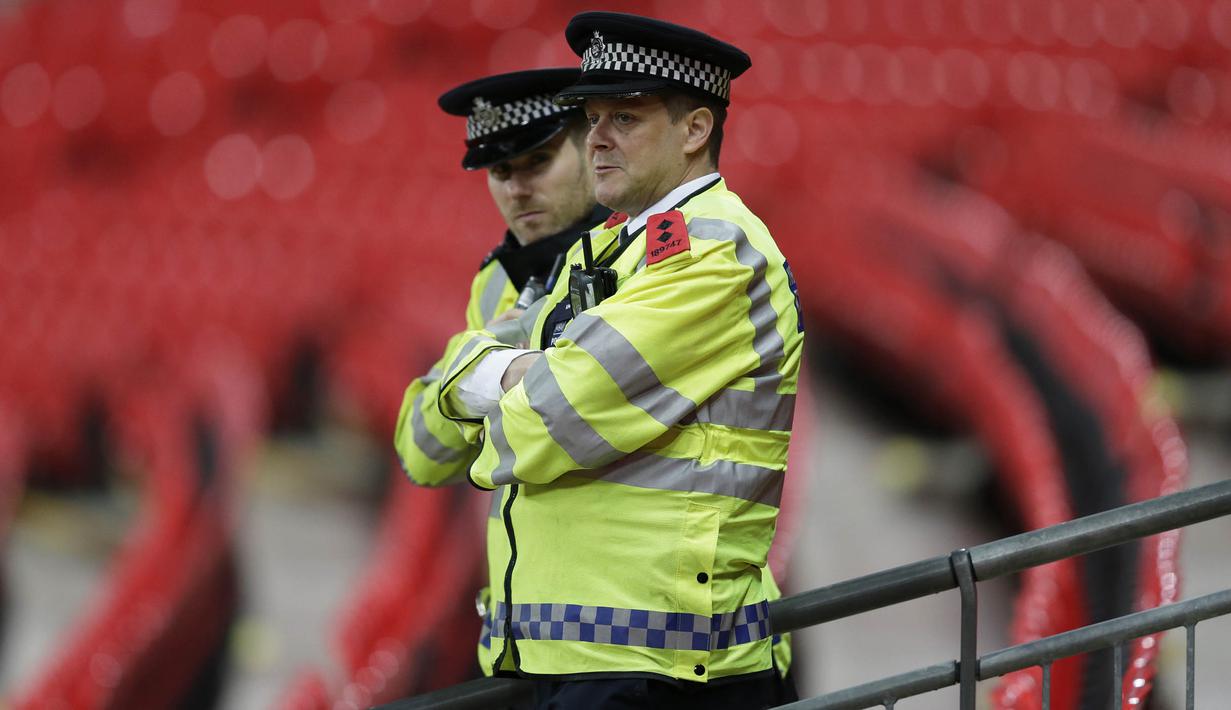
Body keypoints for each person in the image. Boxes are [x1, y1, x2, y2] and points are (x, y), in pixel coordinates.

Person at [430, 12, 804, 708]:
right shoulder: (598, 249)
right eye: (591, 116)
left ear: (694, 130)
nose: (596, 136)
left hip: (661, 670)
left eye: (623, 118)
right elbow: (449, 433)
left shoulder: (712, 251)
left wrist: (477, 379)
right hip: (583, 662)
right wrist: (505, 380)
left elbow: (551, 416)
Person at [392, 67, 610, 670]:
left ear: (593, 151)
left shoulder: (638, 260)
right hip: (536, 640)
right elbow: (420, 450)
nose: (516, 189)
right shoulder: (498, 282)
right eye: (500, 172)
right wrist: (497, 380)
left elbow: (561, 427)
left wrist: (476, 381)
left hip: (634, 644)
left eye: (537, 162)